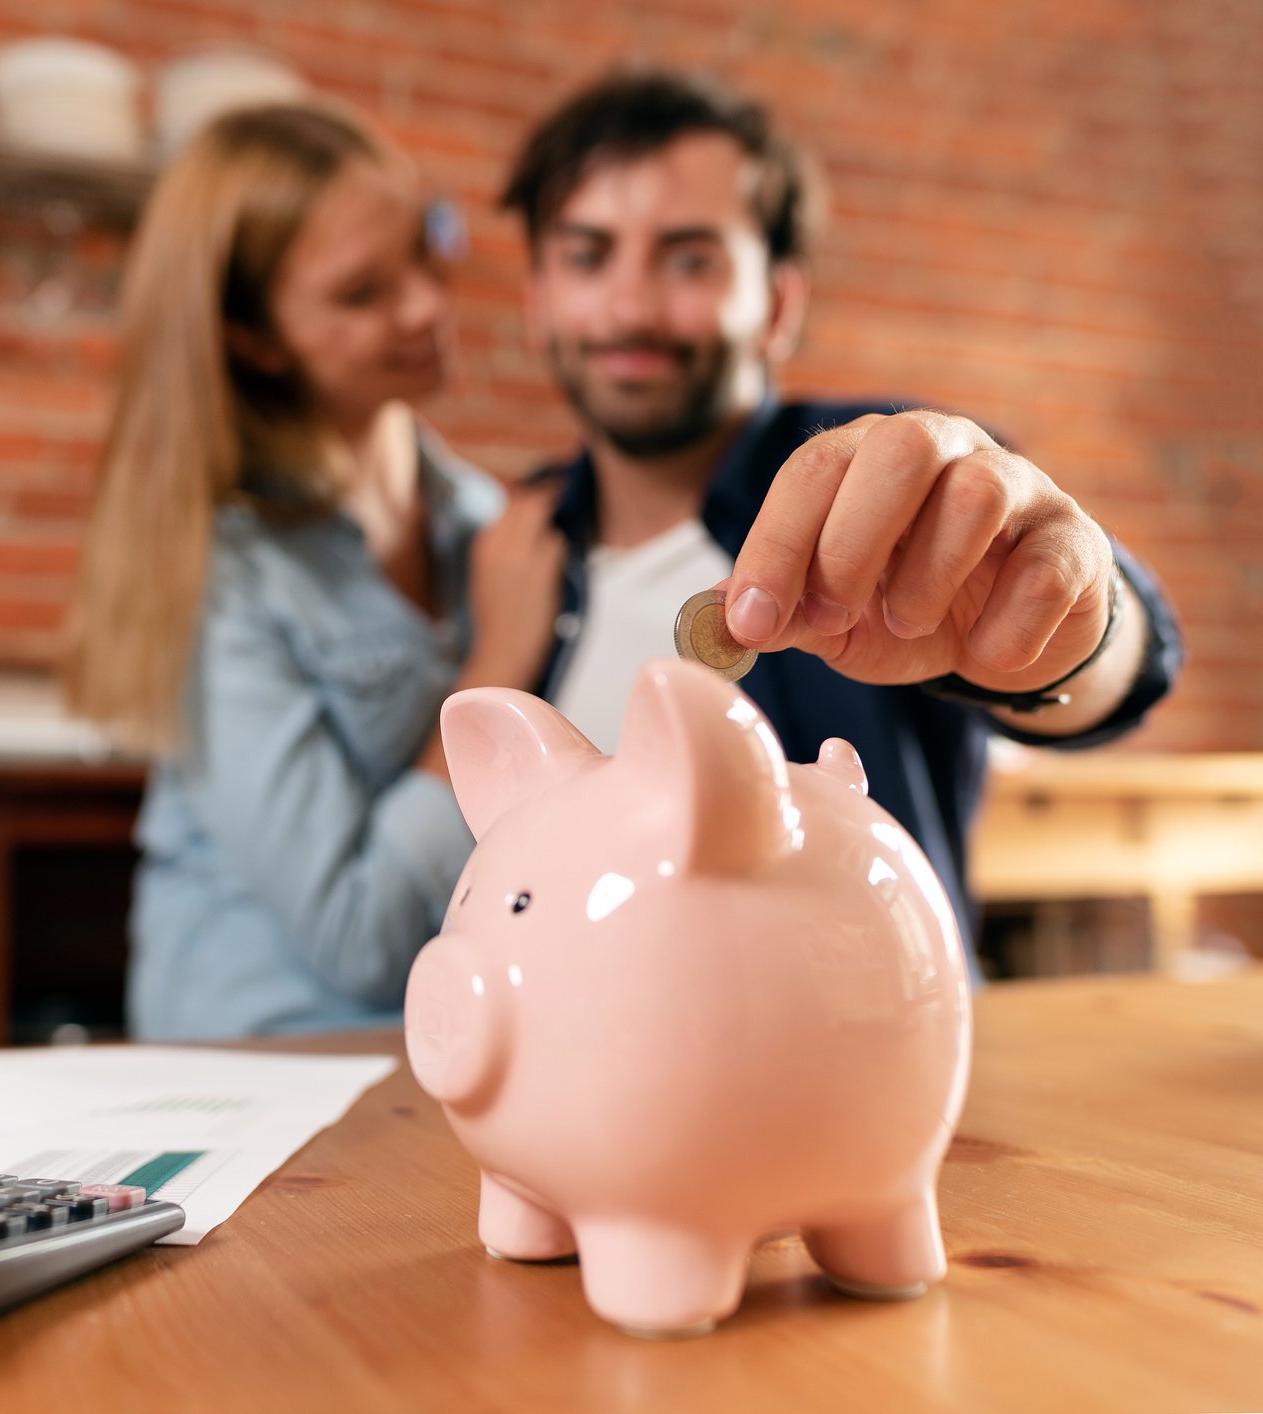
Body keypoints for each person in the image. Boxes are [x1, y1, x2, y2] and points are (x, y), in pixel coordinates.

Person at [501, 69, 1183, 957]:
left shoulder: (898, 481)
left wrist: (1069, 628)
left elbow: (1119, 662)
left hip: (869, 1030)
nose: (629, 307)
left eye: (690, 260)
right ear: (536, 301)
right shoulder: (505, 543)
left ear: (778, 305)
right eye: (588, 256)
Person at [65, 104, 567, 1040]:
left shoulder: (483, 524)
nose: (426, 305)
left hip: (437, 1049)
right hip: (261, 1068)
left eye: (423, 251)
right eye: (361, 294)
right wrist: (498, 663)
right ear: (255, 338)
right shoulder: (224, 572)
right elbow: (356, 935)